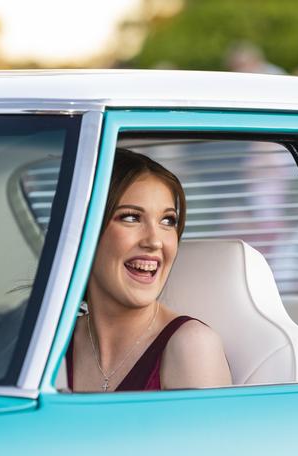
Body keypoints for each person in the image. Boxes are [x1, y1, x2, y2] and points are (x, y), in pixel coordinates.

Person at [66, 148, 232, 392]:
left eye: (168, 221)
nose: (154, 241)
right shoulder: (52, 344)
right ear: (84, 230)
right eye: (131, 217)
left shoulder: (192, 346)